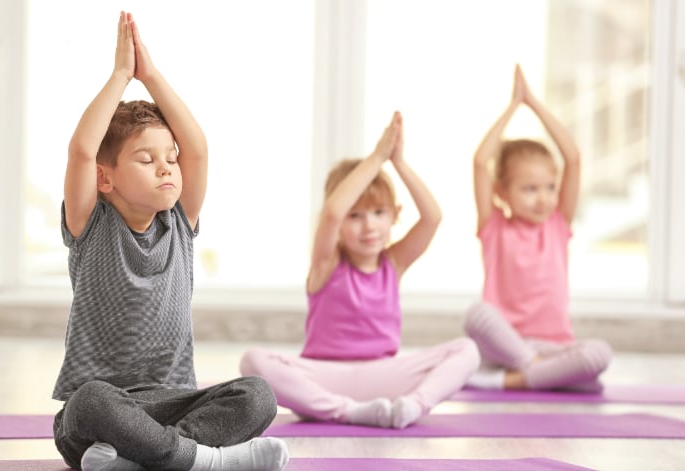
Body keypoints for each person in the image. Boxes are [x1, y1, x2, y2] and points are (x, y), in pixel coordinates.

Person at [51, 12, 288, 471]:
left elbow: (197, 148)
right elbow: (82, 149)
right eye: (146, 158)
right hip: (102, 415)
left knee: (258, 396)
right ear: (105, 178)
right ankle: (205, 461)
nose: (166, 168)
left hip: (175, 404)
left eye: (170, 159)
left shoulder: (180, 222)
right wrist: (122, 75)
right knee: (91, 401)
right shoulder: (91, 225)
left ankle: (150, 459)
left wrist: (153, 76)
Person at [240, 112, 480, 429]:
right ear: (340, 224)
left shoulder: (394, 263)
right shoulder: (326, 264)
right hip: (324, 378)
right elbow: (332, 212)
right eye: (355, 216)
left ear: (394, 215)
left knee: (468, 351)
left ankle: (412, 406)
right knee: (252, 361)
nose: (369, 226)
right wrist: (377, 156)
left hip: (384, 376)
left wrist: (399, 163)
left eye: (378, 213)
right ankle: (347, 411)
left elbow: (432, 217)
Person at [463, 64, 612, 392]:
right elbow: (479, 161)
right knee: (476, 315)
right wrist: (513, 107)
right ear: (501, 192)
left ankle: (512, 380)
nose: (543, 199)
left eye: (548, 187)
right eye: (529, 189)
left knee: (599, 354)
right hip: (505, 345)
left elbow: (572, 157)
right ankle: (542, 375)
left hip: (552, 345)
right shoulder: (494, 227)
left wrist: (534, 103)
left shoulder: (558, 224)